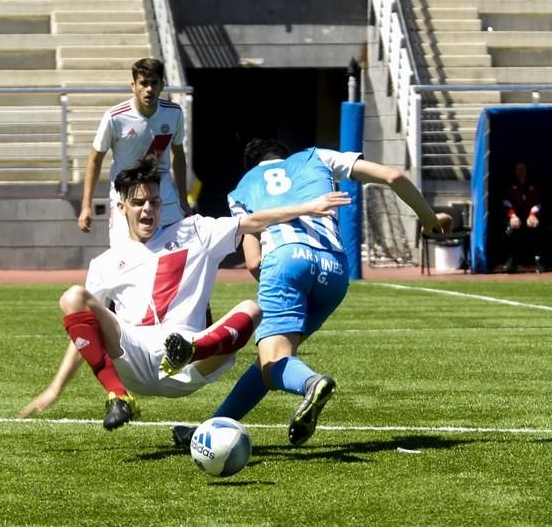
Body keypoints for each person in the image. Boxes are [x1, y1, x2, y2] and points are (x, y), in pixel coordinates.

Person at [20, 153, 352, 430]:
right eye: (138, 203)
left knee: (253, 309)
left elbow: (254, 220)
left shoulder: (196, 231)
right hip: (132, 358)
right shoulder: (107, 262)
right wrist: (55, 387)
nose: (148, 209)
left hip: (190, 362)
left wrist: (308, 206)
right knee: (74, 296)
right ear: (122, 208)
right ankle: (118, 397)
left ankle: (190, 349)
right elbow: (83, 331)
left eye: (153, 201)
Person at [172, 139, 452, 448]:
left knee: (274, 360)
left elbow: (253, 263)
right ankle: (207, 430)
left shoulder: (241, 189)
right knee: (272, 362)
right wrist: (428, 218)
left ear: (251, 165)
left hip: (286, 262)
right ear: (284, 154)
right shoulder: (316, 157)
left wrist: (282, 277)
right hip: (334, 269)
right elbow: (393, 176)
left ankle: (313, 383)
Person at [78, 57, 192, 247]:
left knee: (176, 256)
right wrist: (86, 206)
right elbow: (94, 160)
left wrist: (183, 198)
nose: (149, 89)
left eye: (154, 83)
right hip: (126, 195)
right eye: (143, 83)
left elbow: (178, 154)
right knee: (124, 255)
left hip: (163, 195)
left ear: (162, 85)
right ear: (133, 85)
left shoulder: (174, 113)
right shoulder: (115, 117)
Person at [502, 161, 543, 273]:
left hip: (529, 215)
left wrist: (532, 215)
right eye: (518, 169)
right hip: (515, 215)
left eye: (523, 169)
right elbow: (506, 202)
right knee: (511, 229)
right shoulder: (510, 186)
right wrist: (513, 216)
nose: (521, 172)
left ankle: (538, 260)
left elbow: (538, 202)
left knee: (536, 226)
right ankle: (511, 259)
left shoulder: (533, 185)